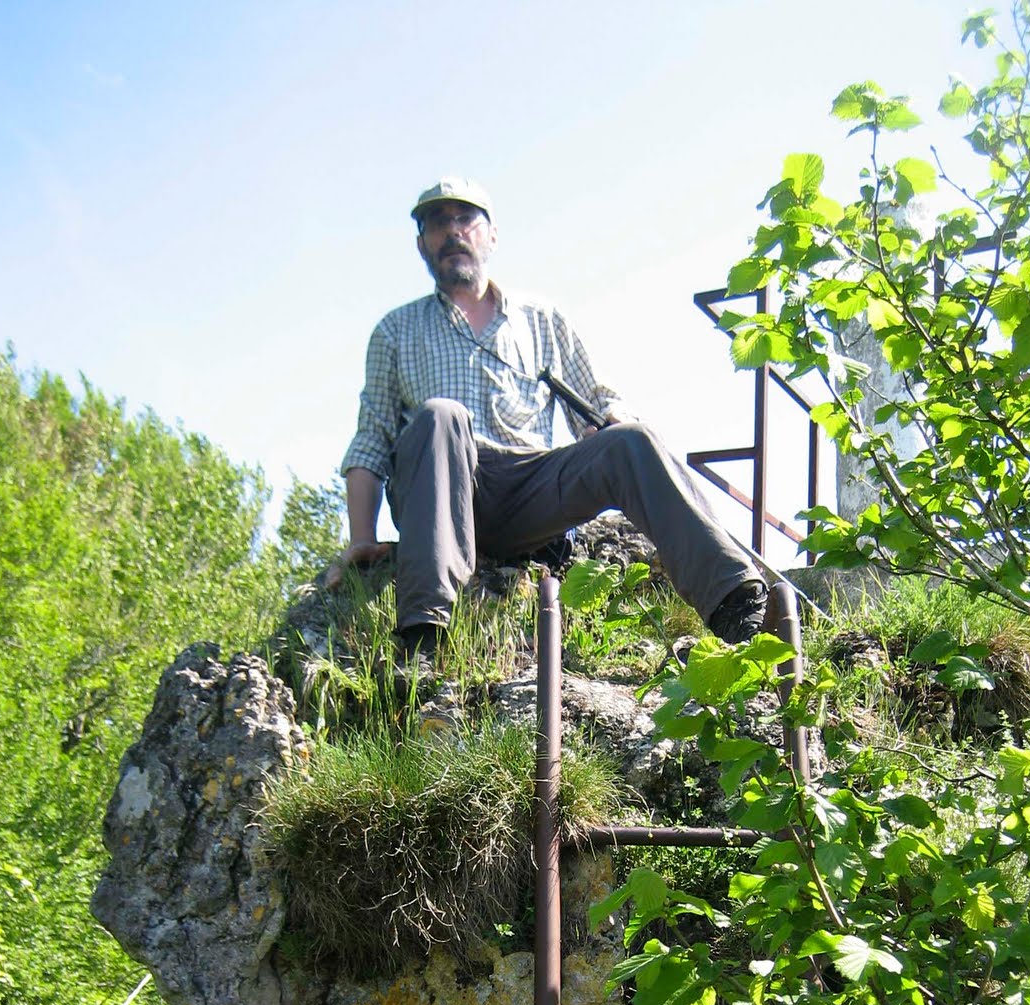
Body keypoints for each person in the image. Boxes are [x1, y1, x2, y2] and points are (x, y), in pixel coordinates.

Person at [324, 177, 769, 657]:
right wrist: (361, 538)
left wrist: (611, 418)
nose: (452, 231)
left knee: (632, 440)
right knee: (440, 415)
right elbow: (371, 439)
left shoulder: (541, 319)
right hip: (442, 484)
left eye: (465, 219)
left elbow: (599, 399)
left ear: (491, 235)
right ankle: (425, 628)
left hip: (528, 489)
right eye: (438, 223)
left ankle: (733, 599)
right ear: (421, 244)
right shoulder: (395, 331)